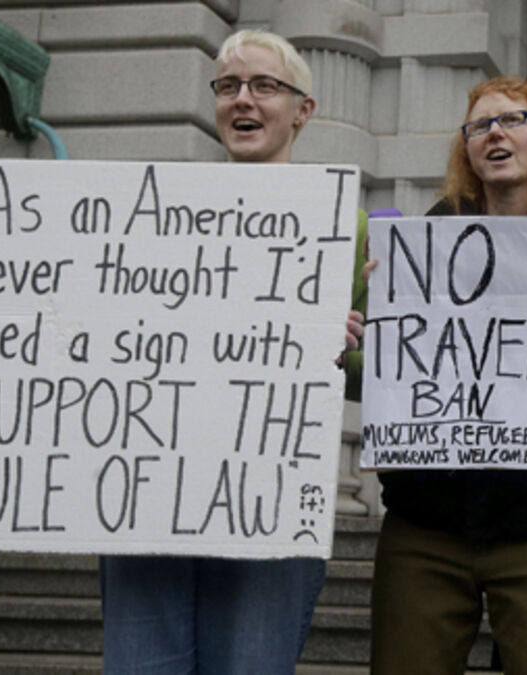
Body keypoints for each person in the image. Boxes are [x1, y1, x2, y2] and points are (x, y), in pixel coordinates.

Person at [97, 29, 366, 673]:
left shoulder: (343, 225)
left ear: (302, 110)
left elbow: (366, 378)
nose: (243, 99)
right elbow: (93, 331)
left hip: (267, 498)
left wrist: (344, 349)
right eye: (229, 86)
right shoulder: (153, 212)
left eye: (265, 85)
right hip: (149, 493)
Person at [363, 75, 527, 674]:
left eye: (512, 120)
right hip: (426, 522)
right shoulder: (420, 250)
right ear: (468, 150)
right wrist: (371, 332)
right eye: (480, 125)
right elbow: (392, 377)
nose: (495, 133)